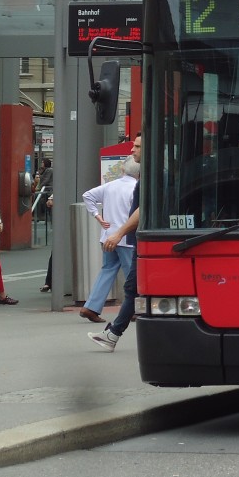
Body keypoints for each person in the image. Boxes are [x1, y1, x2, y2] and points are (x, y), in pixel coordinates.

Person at [90, 133, 141, 352]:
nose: (132, 150)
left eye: (137, 146)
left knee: (132, 286)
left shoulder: (147, 179)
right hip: (136, 241)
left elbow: (142, 210)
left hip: (137, 240)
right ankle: (112, 334)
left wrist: (118, 233)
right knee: (132, 287)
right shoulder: (142, 180)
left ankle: (112, 333)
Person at [78, 156, 140, 323]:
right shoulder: (136, 188)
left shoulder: (110, 186)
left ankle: (91, 306)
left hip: (108, 235)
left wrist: (97, 215)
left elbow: (88, 195)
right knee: (132, 275)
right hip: (126, 237)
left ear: (122, 169)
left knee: (107, 270)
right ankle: (134, 308)